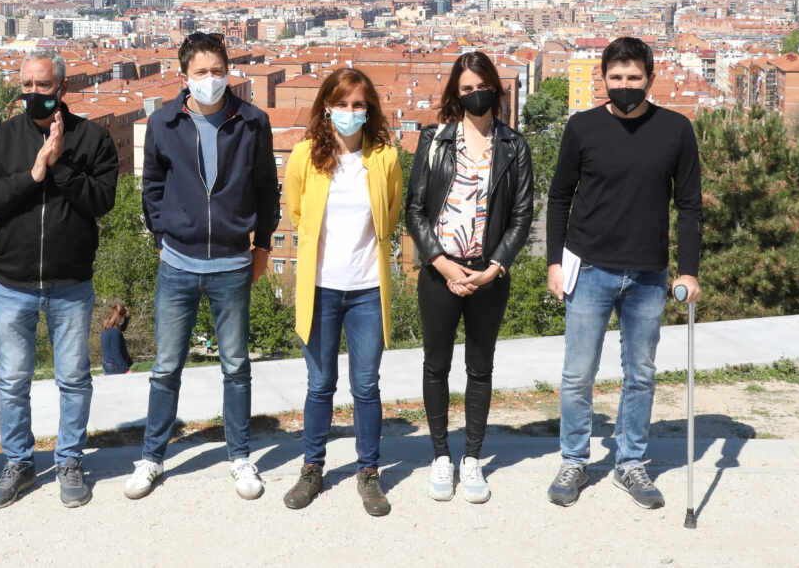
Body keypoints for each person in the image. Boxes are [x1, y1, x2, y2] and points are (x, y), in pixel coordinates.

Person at [544, 36, 702, 510]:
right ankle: (574, 458)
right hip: (588, 268)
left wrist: (689, 271)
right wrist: (555, 261)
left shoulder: (676, 129)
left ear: (650, 79)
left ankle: (630, 463)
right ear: (604, 80)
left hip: (649, 274)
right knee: (577, 374)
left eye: (634, 78)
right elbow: (559, 197)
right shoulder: (582, 127)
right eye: (616, 78)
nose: (625, 85)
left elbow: (690, 206)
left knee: (641, 374)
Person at [128, 31, 280, 501]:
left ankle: (239, 455)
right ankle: (152, 456)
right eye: (201, 72)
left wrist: (263, 247)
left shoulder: (253, 122)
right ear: (184, 76)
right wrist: (161, 235)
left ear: (228, 71)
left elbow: (266, 189)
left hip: (233, 261)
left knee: (236, 366)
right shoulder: (163, 123)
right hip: (177, 261)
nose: (211, 79)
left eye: (218, 70)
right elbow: (151, 184)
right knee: (165, 366)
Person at [0, 51, 119, 510]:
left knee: (73, 378)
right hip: (11, 282)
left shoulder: (92, 138)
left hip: (70, 283)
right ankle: (18, 462)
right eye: (27, 85)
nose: (33, 94)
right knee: (13, 380)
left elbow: (101, 201)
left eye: (43, 86)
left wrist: (60, 166)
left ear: (62, 89)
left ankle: (70, 460)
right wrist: (33, 174)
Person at [405, 51, 534, 504]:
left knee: (480, 367)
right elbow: (415, 209)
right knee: (436, 365)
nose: (475, 94)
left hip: (488, 275)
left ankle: (473, 457)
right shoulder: (434, 140)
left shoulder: (514, 145)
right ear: (455, 95)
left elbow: (521, 215)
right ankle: (441, 454)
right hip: (440, 271)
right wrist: (439, 261)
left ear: (494, 89)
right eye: (465, 89)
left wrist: (494, 268)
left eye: (481, 86)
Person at [280, 68, 403, 517]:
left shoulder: (385, 157)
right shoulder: (303, 157)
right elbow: (296, 213)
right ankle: (312, 467)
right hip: (321, 288)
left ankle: (369, 472)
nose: (350, 113)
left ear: (368, 110)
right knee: (319, 385)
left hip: (368, 289)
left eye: (358, 105)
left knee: (366, 386)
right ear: (326, 107)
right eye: (342, 104)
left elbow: (390, 216)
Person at [101, 303, 133, 375]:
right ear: (121, 317)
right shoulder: (115, 332)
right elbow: (116, 353)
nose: (126, 322)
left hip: (109, 366)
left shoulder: (106, 331)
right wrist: (126, 370)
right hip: (116, 368)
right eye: (125, 318)